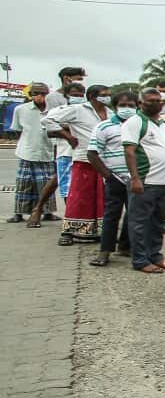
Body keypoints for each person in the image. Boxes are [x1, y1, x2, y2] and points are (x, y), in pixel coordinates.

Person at [40, 83, 110, 245]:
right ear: (93, 96)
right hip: (83, 158)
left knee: (100, 198)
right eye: (104, 94)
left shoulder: (110, 113)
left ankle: (97, 231)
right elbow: (48, 120)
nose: (107, 97)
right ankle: (68, 232)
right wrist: (67, 135)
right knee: (78, 197)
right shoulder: (78, 110)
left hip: (104, 161)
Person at [122, 88, 165, 273]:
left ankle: (155, 255)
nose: (156, 104)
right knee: (140, 222)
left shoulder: (163, 123)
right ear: (141, 104)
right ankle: (140, 259)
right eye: (150, 101)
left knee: (157, 222)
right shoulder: (135, 122)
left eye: (158, 100)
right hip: (147, 181)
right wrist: (135, 178)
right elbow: (129, 151)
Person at [86, 91, 137, 266]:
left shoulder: (140, 126)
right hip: (115, 178)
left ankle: (125, 246)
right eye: (123, 105)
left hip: (136, 178)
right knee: (111, 215)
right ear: (115, 107)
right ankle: (105, 252)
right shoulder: (104, 127)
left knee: (134, 214)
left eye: (131, 105)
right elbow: (92, 154)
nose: (127, 109)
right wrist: (108, 176)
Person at [41, 66, 88, 219]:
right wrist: (69, 133)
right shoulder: (54, 99)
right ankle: (68, 218)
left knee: (77, 184)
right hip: (64, 147)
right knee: (64, 182)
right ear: (66, 78)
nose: (81, 81)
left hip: (83, 149)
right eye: (78, 78)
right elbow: (51, 124)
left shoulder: (85, 103)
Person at [10, 82, 56, 225]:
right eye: (36, 93)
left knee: (46, 183)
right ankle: (18, 213)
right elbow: (18, 129)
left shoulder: (54, 110)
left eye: (43, 94)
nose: (40, 97)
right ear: (31, 95)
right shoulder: (20, 110)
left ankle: (47, 212)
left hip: (47, 151)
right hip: (27, 151)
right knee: (24, 183)